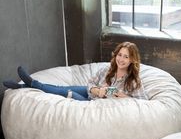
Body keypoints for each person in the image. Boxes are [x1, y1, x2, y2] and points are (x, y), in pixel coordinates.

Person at [3, 42, 148, 101]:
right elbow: (90, 82)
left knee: (65, 93)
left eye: (126, 57)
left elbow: (145, 103)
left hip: (93, 104)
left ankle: (29, 84)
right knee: (61, 88)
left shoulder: (133, 81)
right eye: (119, 55)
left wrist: (122, 96)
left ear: (132, 60)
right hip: (92, 93)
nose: (121, 59)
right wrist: (97, 90)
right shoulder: (108, 69)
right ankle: (28, 84)